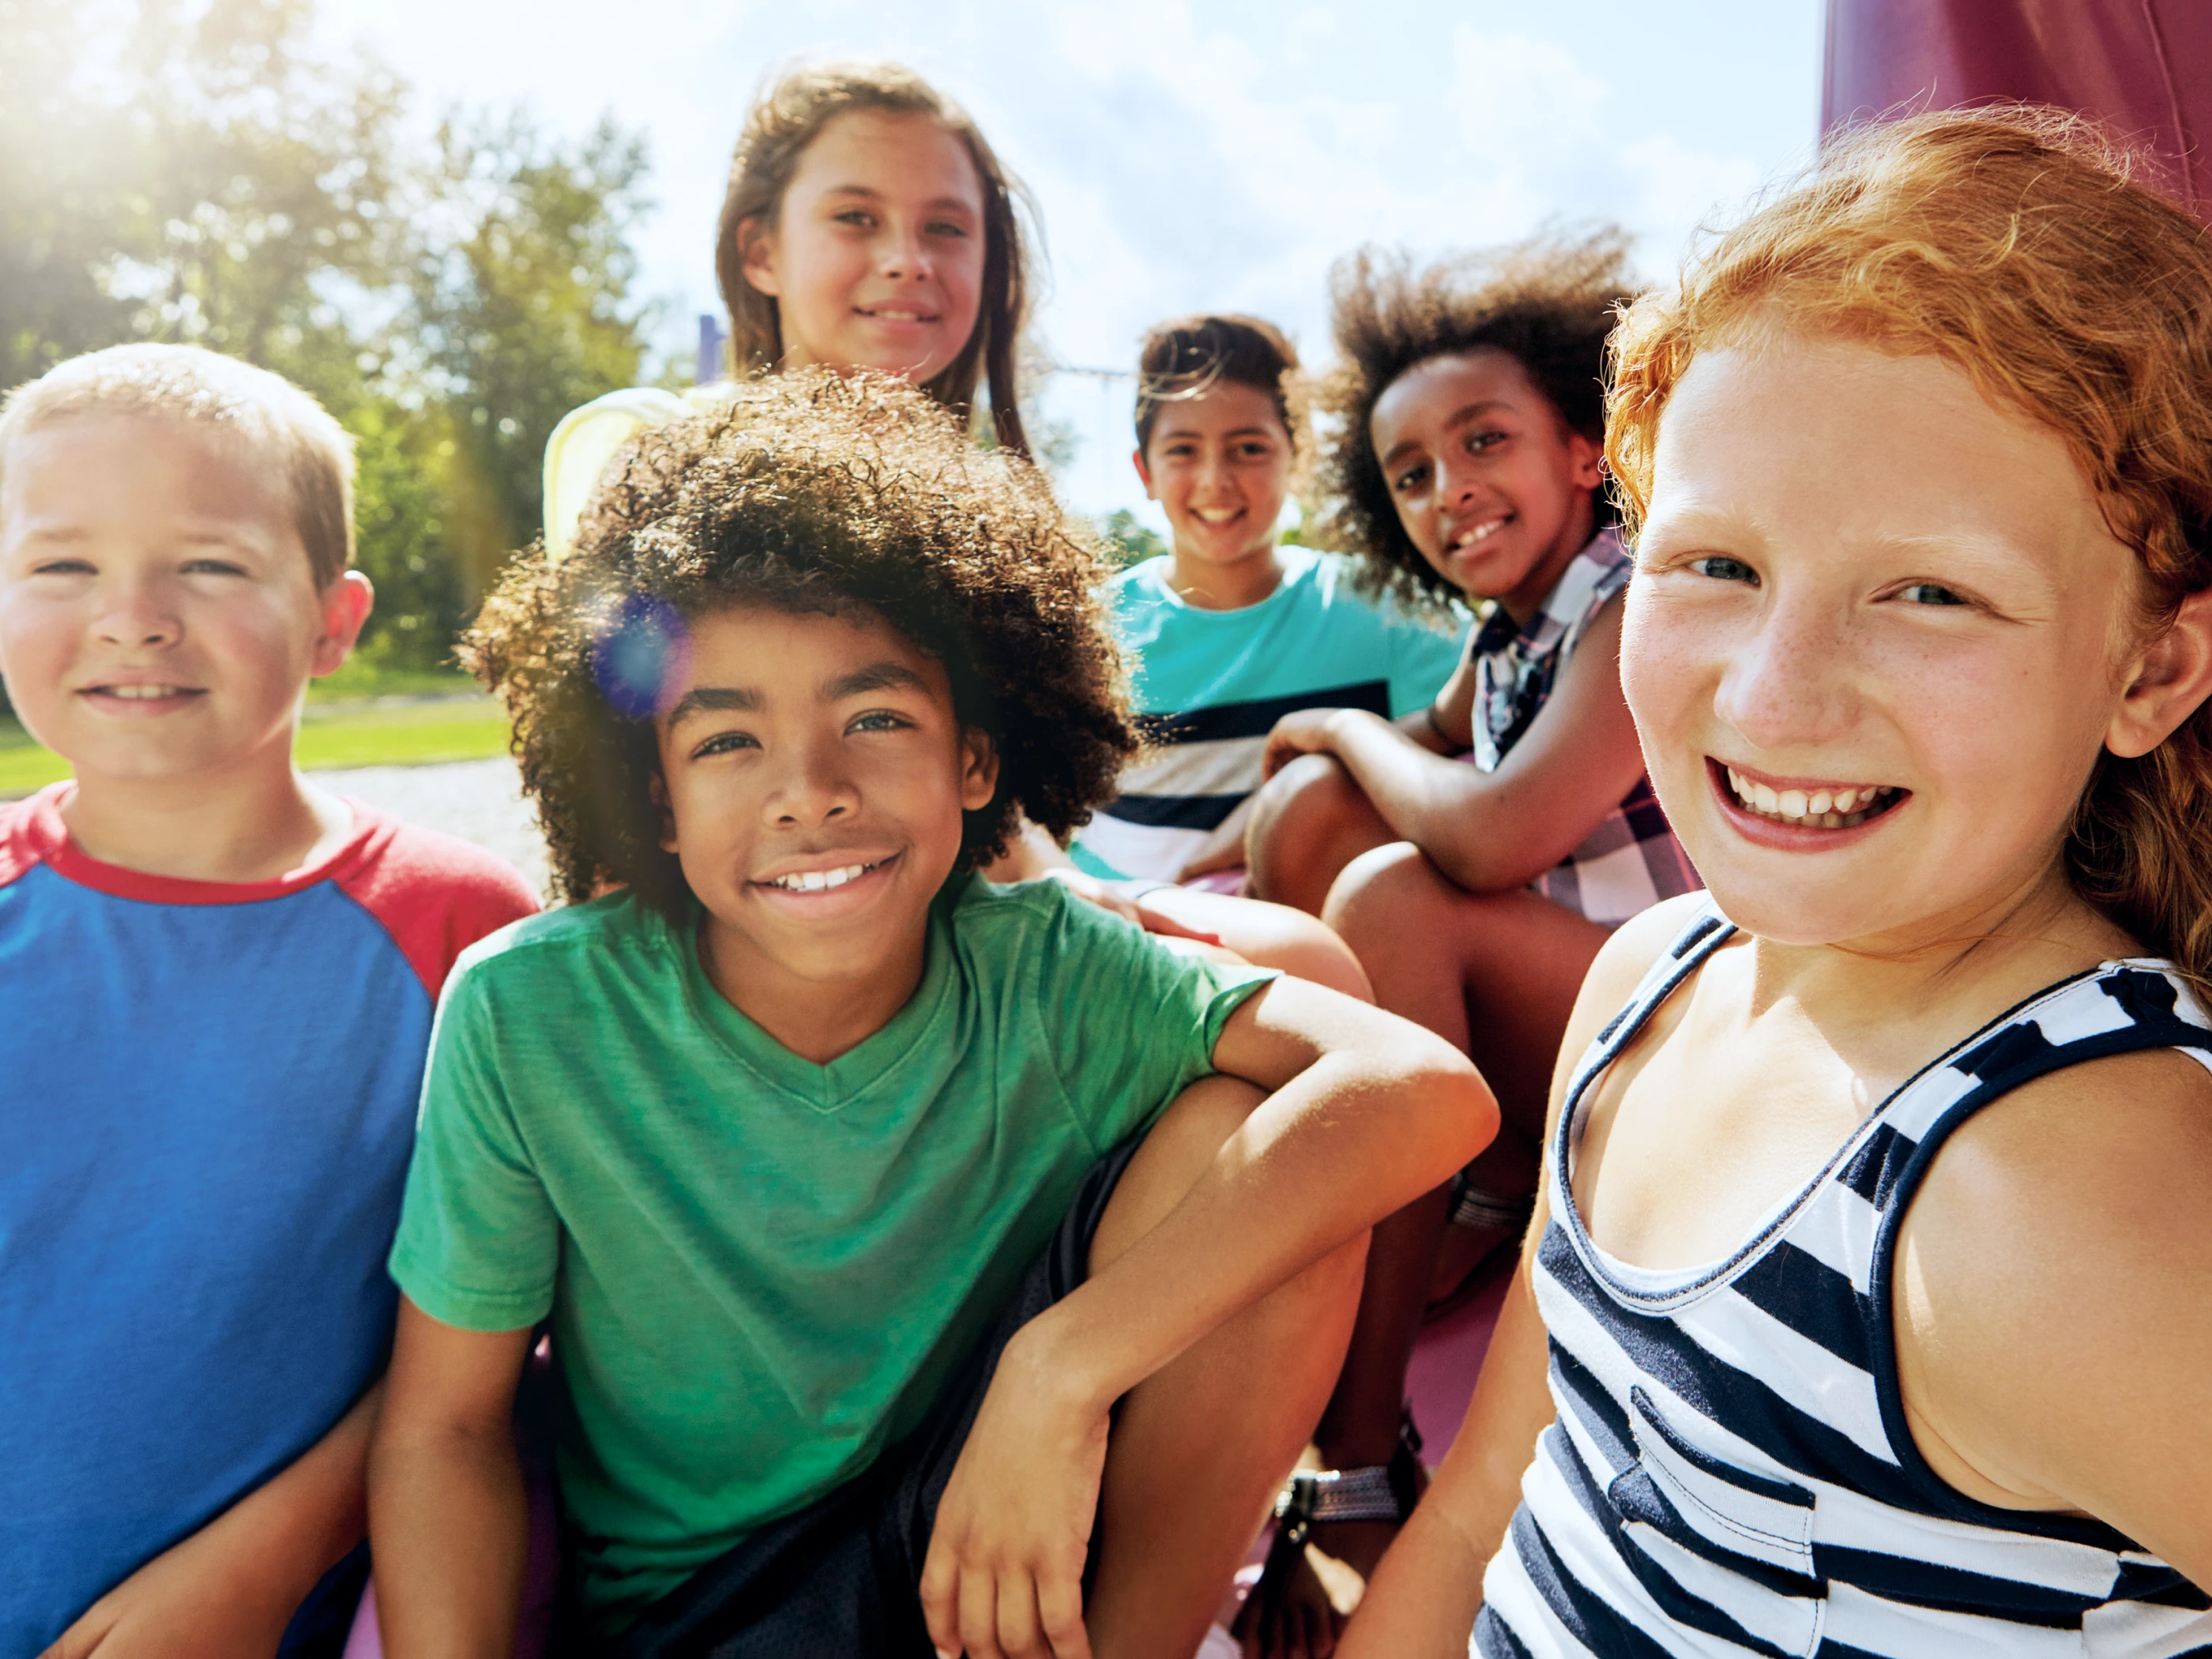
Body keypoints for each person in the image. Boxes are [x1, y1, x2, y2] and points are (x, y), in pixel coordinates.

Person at [364, 370, 1492, 1658]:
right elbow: (445, 1429)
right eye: (727, 741)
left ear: (977, 759)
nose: (811, 790)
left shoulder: (1048, 966)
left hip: (1008, 1544)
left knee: (1257, 1138)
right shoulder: (532, 1011)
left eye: (877, 715)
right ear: (655, 797)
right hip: (708, 1612)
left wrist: (1055, 1373)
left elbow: (1424, 1090)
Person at [1342, 107, 2212, 1658]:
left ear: (2148, 667)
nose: (1771, 698)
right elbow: (1489, 1497)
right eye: (1713, 567)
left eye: (1928, 590)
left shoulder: (2059, 1196)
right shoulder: (1644, 986)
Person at [544, 58, 1365, 997]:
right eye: (856, 218)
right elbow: (606, 803)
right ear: (761, 250)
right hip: (748, 958)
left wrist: (1082, 897)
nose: (907, 257)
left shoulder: (973, 507)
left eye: (945, 227)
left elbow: (985, 800)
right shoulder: (648, 448)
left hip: (946, 930)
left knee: (1305, 964)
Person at [0, 343, 537, 1658]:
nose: (133, 616)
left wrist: (268, 1553)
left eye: (211, 564)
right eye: (63, 565)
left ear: (334, 620)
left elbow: (502, 1346)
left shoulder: (465, 937)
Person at [1232, 235, 1701, 1657]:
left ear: (1581, 448)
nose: (1449, 492)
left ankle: (1364, 1456)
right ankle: (1379, 1181)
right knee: (1322, 815)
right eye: (1413, 474)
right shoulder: (1507, 636)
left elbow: (1489, 836)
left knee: (1394, 886)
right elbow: (1427, 756)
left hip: (1676, 1024)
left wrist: (1339, 724)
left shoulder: (1633, 597)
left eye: (1483, 441)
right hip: (1562, 1010)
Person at [1060, 313, 1464, 890]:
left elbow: (1464, 777)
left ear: (1297, 461)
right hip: (1123, 943)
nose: (1214, 480)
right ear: (1143, 471)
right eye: (1182, 450)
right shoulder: (1086, 632)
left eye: (1248, 448)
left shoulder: (1391, 613)